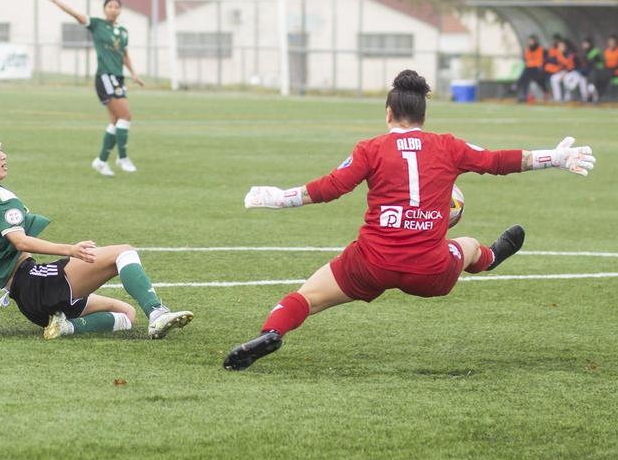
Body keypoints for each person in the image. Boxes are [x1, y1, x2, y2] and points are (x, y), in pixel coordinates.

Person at [224, 70, 595, 371]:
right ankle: (491, 258)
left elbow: (330, 187)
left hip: (371, 263)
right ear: (423, 115)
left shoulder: (370, 148)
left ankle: (272, 332)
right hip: (430, 270)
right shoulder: (449, 145)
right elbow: (500, 161)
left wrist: (277, 198)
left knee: (307, 297)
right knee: (465, 245)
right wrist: (556, 158)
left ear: (388, 113)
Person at [0, 128, 192, 340]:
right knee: (124, 252)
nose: (4, 155)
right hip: (36, 284)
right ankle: (158, 313)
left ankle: (66, 326)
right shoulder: (0, 200)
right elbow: (19, 240)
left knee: (126, 313)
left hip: (27, 299)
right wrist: (70, 250)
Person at [42, 0, 144, 176]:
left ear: (120, 10)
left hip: (118, 77)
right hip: (105, 76)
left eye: (117, 6)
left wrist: (134, 74)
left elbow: (124, 53)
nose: (113, 9)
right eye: (110, 6)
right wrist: (56, 0)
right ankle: (122, 158)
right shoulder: (97, 24)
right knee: (126, 116)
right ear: (105, 9)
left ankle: (101, 161)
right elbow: (76, 14)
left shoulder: (122, 31)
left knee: (115, 121)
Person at [512, 35, 547, 101]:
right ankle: (523, 95)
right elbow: (526, 59)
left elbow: (542, 60)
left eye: (532, 41)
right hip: (529, 68)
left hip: (537, 68)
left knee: (539, 80)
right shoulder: (527, 49)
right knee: (524, 79)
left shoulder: (540, 49)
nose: (530, 42)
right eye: (529, 41)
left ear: (535, 41)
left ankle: (545, 93)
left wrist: (538, 65)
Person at [548, 37, 578, 102]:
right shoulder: (557, 54)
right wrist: (559, 71)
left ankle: (568, 98)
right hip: (562, 72)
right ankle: (557, 98)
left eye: (562, 46)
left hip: (572, 72)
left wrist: (565, 72)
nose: (560, 47)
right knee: (553, 78)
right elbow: (555, 64)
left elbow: (571, 67)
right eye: (559, 46)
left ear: (565, 46)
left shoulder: (570, 54)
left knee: (566, 80)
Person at [594, 34, 618, 100]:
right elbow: (604, 62)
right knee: (599, 75)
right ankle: (599, 94)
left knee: (605, 76)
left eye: (612, 42)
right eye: (609, 41)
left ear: (616, 42)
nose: (611, 43)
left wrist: (611, 68)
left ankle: (603, 95)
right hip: (608, 71)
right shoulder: (607, 51)